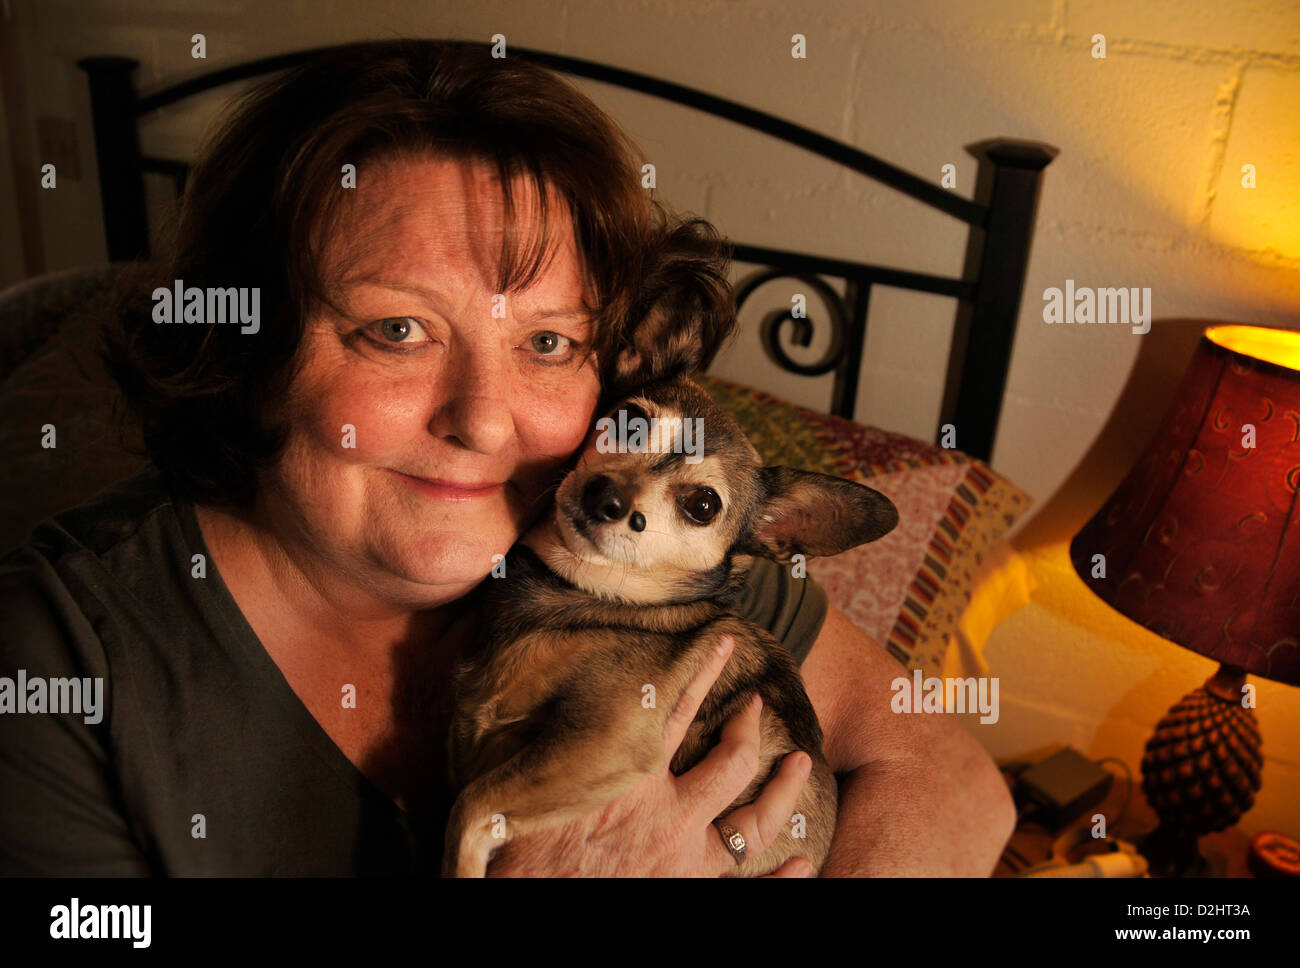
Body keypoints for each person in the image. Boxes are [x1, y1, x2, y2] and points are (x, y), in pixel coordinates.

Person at [0, 40, 1013, 876]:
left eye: (546, 342)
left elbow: (952, 776)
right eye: (397, 329)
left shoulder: (642, 557)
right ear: (250, 349)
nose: (485, 422)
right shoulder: (61, 660)